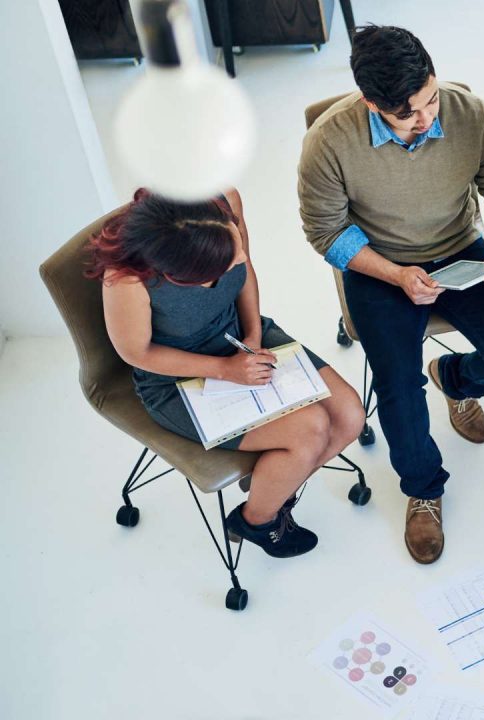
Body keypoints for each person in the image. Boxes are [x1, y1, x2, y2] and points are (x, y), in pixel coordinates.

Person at [298, 25, 484, 565]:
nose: (428, 120)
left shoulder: (468, 112)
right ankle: (423, 489)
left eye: (430, 100)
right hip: (380, 268)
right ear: (370, 102)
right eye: (409, 114)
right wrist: (396, 274)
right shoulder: (329, 143)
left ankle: (455, 379)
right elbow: (327, 233)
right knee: (399, 390)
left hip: (460, 250)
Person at [90, 189, 365, 558]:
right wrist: (225, 369)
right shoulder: (126, 279)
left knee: (350, 416)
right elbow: (136, 353)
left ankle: (275, 486)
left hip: (239, 337)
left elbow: (246, 269)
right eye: (222, 265)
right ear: (182, 276)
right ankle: (256, 519)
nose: (238, 257)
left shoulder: (223, 202)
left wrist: (251, 336)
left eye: (233, 244)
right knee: (311, 429)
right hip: (176, 377)